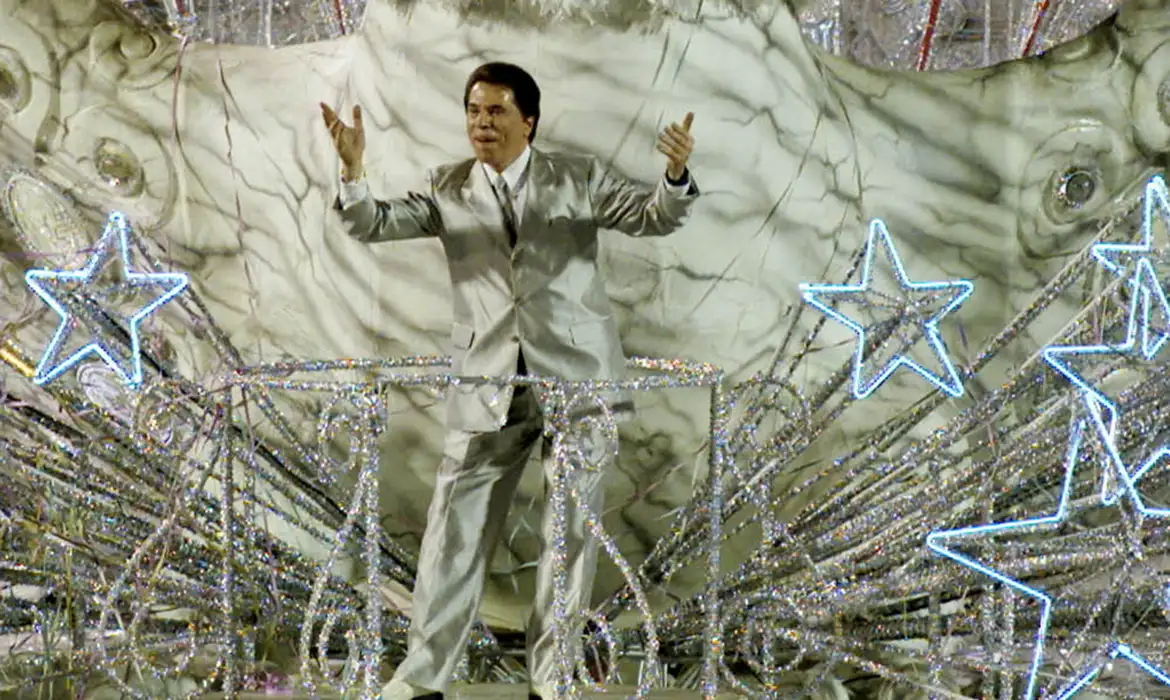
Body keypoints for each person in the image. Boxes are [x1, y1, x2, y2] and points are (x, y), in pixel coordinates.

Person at [320, 61, 698, 700]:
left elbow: (654, 217)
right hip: (486, 385)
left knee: (570, 537)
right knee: (451, 536)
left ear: (528, 120)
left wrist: (675, 174)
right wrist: (353, 173)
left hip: (577, 384)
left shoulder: (576, 177)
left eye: (495, 111)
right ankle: (421, 678)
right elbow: (372, 224)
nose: (480, 123)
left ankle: (551, 680)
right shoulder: (448, 186)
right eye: (472, 110)